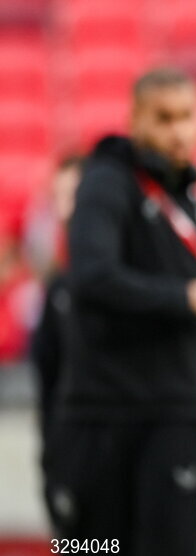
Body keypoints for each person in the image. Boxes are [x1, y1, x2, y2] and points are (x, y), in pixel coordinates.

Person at [51, 68, 196, 556]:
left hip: (174, 413)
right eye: (163, 118)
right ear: (135, 120)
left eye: (187, 117)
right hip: (104, 414)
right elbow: (90, 277)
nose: (179, 131)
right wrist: (186, 298)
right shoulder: (106, 182)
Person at [27, 154, 82, 534]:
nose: (66, 208)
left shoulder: (136, 288)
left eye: (75, 194)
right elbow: (47, 386)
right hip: (67, 462)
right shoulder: (55, 292)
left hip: (125, 467)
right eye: (58, 196)